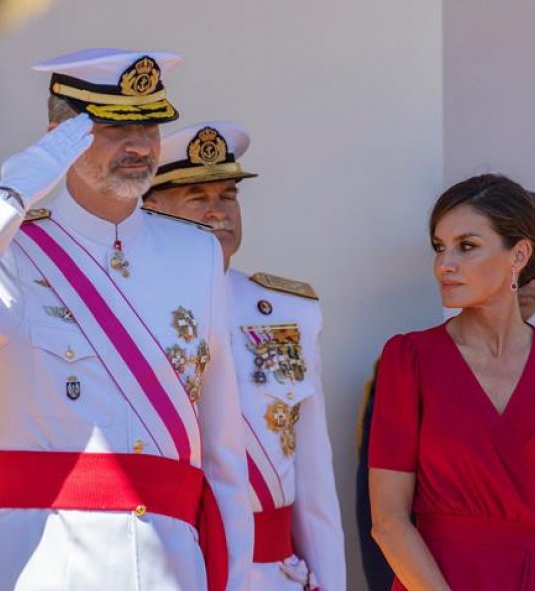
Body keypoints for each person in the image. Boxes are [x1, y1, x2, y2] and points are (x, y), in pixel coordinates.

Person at [0, 49, 252, 591]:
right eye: (113, 127)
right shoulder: (9, 250)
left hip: (169, 569)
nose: (140, 145)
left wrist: (237, 579)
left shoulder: (196, 254)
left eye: (150, 125)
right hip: (44, 566)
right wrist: (13, 191)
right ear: (60, 135)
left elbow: (224, 457)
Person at [356, 190, 535, 588]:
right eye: (440, 248)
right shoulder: (409, 359)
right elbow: (388, 522)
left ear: (519, 255)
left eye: (467, 247)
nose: (445, 264)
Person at [144, 121, 346, 590]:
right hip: (170, 569)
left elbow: (314, 482)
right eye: (198, 197)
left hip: (271, 574)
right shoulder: (127, 312)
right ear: (150, 210)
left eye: (228, 196)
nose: (219, 213)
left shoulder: (291, 311)